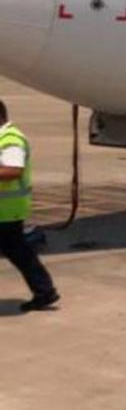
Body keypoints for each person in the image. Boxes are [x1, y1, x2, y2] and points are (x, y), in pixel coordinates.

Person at [0, 100, 58, 312]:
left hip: (7, 210)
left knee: (18, 251)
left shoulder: (11, 139)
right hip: (6, 209)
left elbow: (13, 170)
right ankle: (45, 291)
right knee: (18, 251)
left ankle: (45, 291)